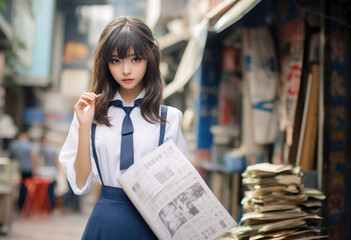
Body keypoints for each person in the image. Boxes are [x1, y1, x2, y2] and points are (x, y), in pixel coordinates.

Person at [59, 16, 187, 239]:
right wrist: (84, 126)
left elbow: (179, 186)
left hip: (152, 223)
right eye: (116, 60)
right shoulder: (90, 113)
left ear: (150, 59)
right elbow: (81, 185)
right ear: (105, 63)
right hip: (106, 220)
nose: (126, 70)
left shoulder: (169, 118)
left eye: (136, 59)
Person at [9, 130, 38, 210]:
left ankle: (20, 204)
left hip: (19, 168)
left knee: (20, 187)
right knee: (28, 188)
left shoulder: (14, 144)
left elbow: (12, 155)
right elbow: (33, 156)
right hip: (28, 169)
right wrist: (35, 167)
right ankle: (25, 206)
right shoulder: (28, 145)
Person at [39, 135, 59, 210]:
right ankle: (51, 206)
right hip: (52, 170)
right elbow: (56, 160)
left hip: (44, 171)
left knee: (44, 190)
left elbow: (39, 159)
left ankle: (44, 206)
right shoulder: (53, 149)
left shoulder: (42, 149)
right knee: (51, 189)